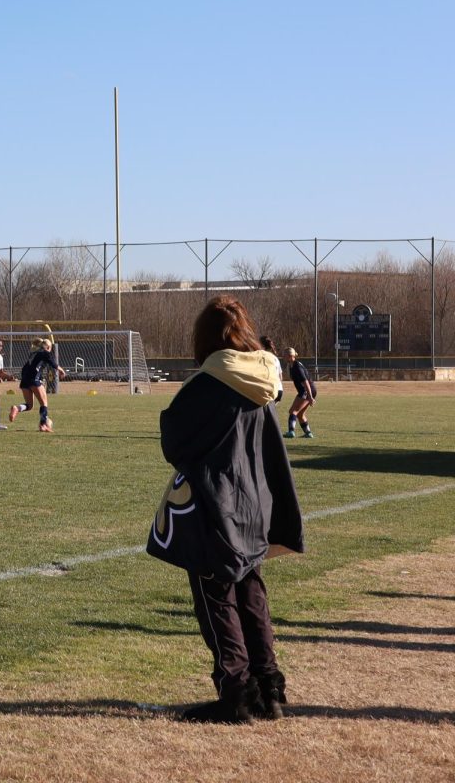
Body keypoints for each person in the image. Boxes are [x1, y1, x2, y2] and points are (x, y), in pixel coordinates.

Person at [149, 295, 304, 724]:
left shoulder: (209, 382)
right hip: (255, 503)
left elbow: (175, 443)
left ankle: (235, 693)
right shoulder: (264, 380)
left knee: (215, 597)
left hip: (215, 505)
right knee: (251, 591)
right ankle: (269, 689)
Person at [8, 338, 66, 432]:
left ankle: (17, 408)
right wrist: (61, 370)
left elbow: (25, 368)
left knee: (29, 405)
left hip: (25, 380)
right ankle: (43, 425)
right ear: (48, 347)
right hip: (34, 380)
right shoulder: (45, 353)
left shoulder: (34, 352)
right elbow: (53, 363)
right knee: (44, 404)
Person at [283, 348, 316, 438]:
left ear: (290, 356)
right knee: (300, 414)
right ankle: (308, 433)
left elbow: (305, 382)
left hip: (306, 391)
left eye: (285, 355)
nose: (283, 357)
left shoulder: (297, 366)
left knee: (293, 411)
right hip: (308, 390)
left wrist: (310, 396)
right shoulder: (292, 365)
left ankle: (291, 432)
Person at [260, 336, 284, 403]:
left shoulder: (262, 357)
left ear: (261, 345)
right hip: (279, 389)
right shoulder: (275, 358)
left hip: (269, 390)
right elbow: (281, 377)